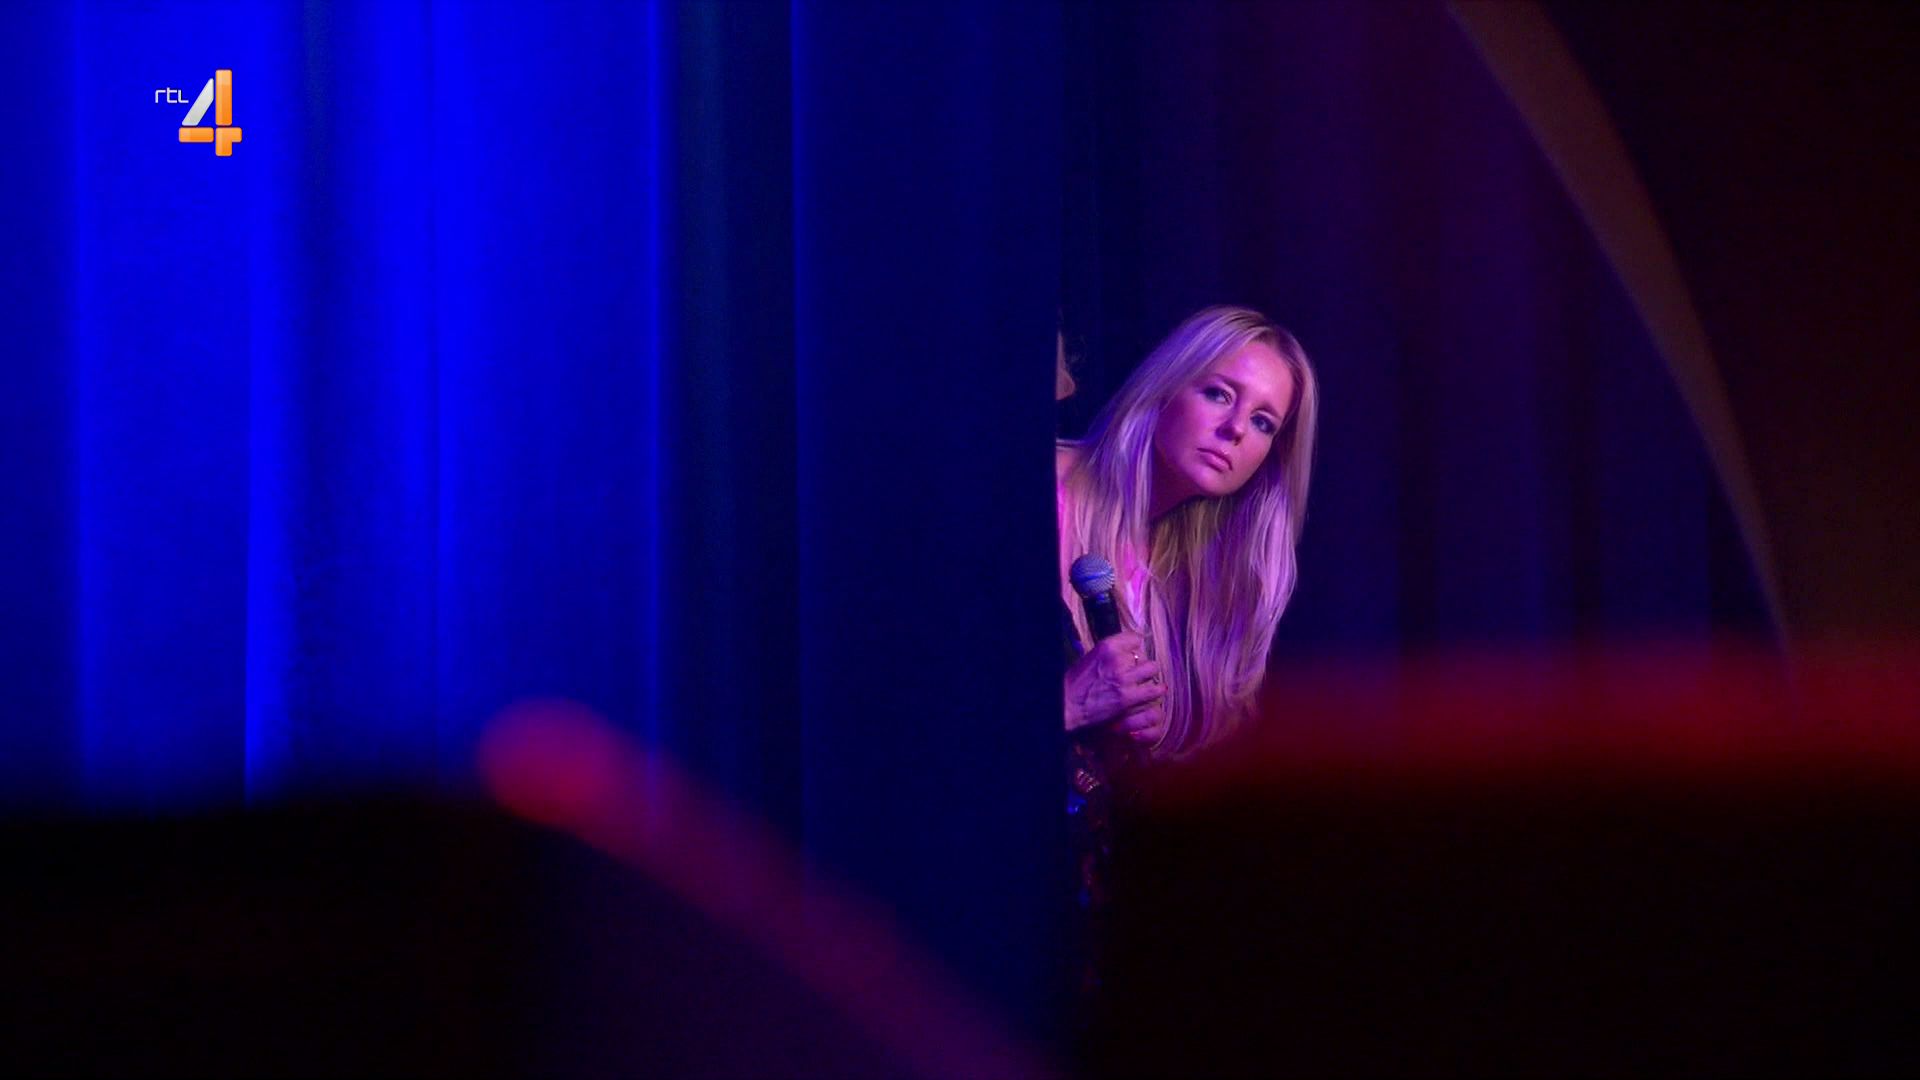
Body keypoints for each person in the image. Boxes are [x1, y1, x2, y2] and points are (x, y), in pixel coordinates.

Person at [1054, 304, 1319, 1011]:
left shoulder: (1211, 586)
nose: (1235, 430)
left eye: (1263, 422)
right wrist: (1068, 703)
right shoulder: (1034, 493)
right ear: (1167, 387)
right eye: (1219, 393)